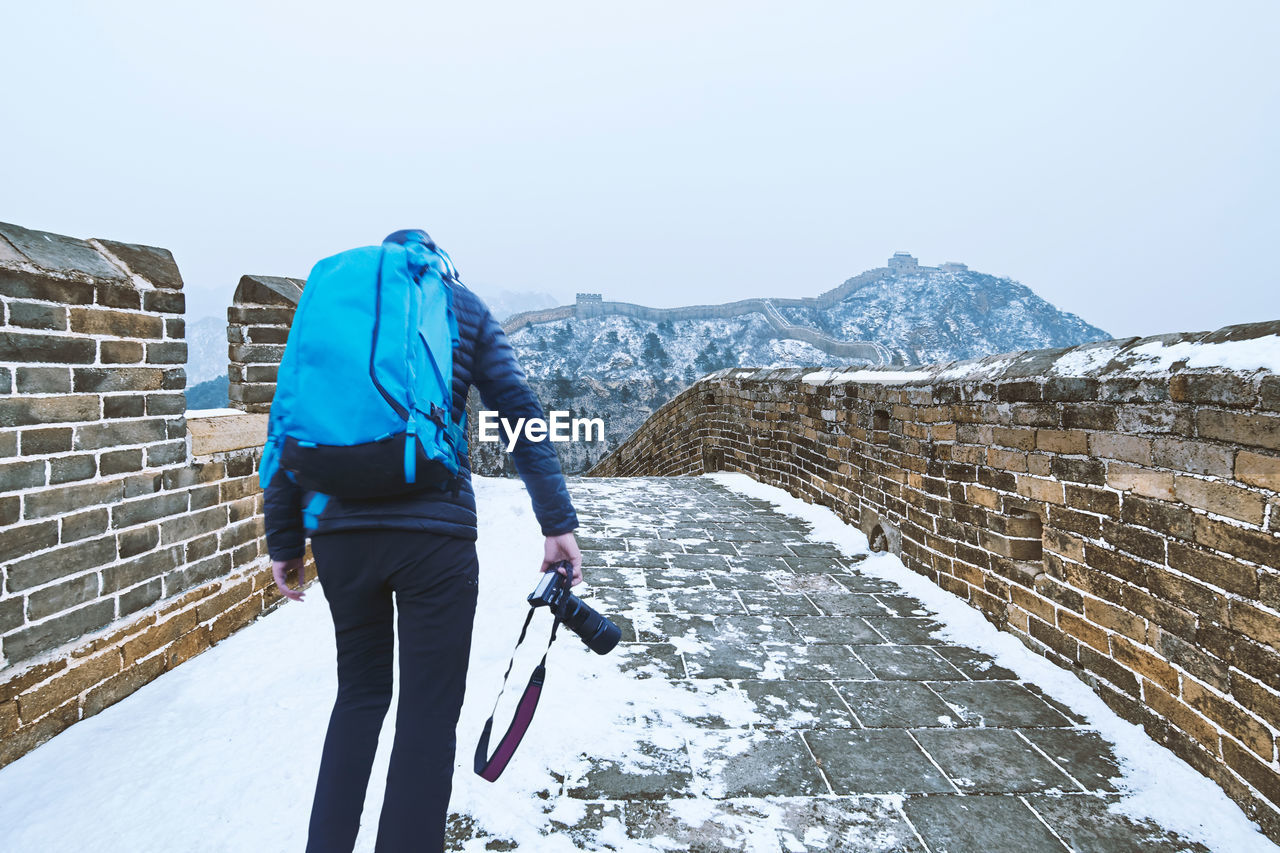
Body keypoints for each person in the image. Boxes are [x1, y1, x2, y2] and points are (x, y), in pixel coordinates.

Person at [262, 229, 583, 853]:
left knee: (358, 697)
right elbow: (518, 411)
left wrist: (284, 541)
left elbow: (285, 422)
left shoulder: (329, 311)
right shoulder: (461, 305)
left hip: (341, 538)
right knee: (427, 717)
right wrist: (556, 524)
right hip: (435, 542)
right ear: (441, 268)